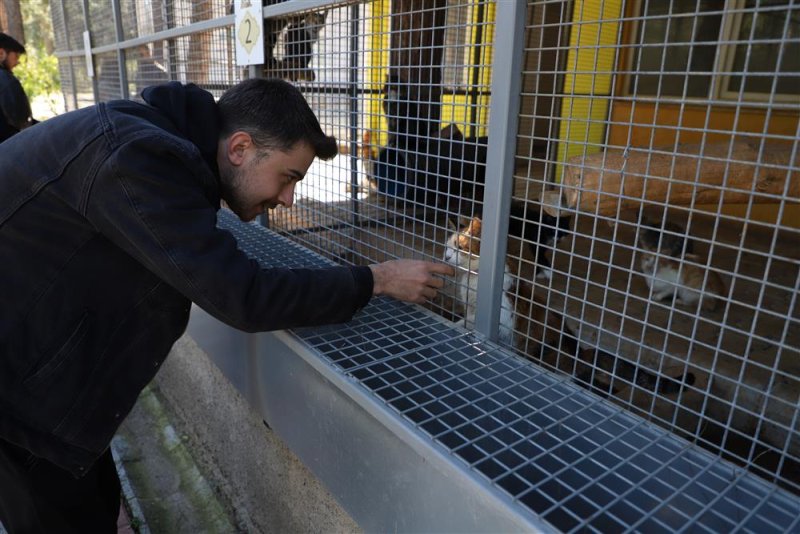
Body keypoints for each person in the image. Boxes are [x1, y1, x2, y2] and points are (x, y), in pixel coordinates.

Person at [0, 78, 453, 532]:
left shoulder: (153, 147)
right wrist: (378, 279)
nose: (287, 199)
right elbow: (242, 295)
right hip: (20, 401)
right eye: (288, 177)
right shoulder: (135, 159)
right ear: (240, 148)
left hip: (43, 379)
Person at [0, 32, 34, 143]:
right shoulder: (5, 79)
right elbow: (23, 123)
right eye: (16, 56)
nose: (18, 62)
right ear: (1, 54)